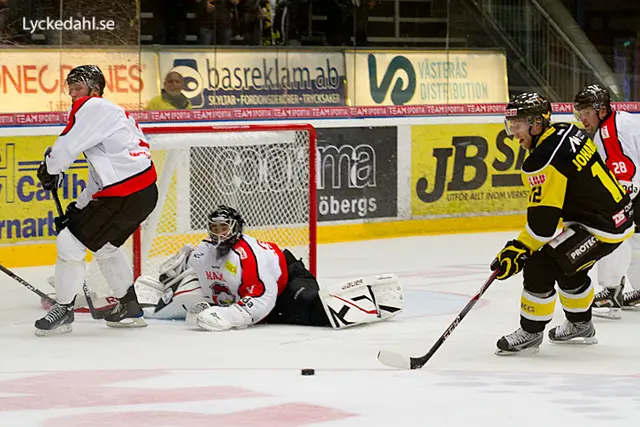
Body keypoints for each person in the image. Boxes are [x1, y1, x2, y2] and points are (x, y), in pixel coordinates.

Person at [491, 92, 635, 356]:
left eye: (518, 125)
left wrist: (517, 249)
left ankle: (531, 332)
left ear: (536, 123)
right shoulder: (566, 130)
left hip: (601, 226)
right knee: (569, 264)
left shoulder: (542, 159)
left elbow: (542, 226)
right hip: (617, 213)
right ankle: (581, 325)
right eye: (511, 125)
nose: (513, 133)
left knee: (540, 264)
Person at [134, 205, 404, 331]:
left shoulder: (249, 255)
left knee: (315, 310)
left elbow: (263, 298)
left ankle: (378, 298)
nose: (219, 233)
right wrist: (160, 288)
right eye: (214, 228)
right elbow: (185, 267)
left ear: (236, 228)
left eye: (224, 227)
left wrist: (230, 318)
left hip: (286, 285)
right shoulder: (204, 250)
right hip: (245, 297)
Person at [35, 65, 159, 336]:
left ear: (94, 89)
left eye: (77, 88)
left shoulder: (93, 108)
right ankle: (128, 307)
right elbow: (100, 175)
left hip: (125, 193)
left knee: (69, 244)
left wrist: (50, 168)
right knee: (105, 247)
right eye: (70, 89)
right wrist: (79, 208)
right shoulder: (110, 116)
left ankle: (64, 310)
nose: (72, 94)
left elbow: (65, 147)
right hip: (143, 192)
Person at [574, 84, 640, 318]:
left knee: (613, 231)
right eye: (579, 113)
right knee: (635, 237)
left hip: (636, 185)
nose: (582, 118)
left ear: (601, 110)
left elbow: (627, 180)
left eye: (586, 112)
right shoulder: (618, 121)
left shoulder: (610, 133)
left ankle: (611, 292)